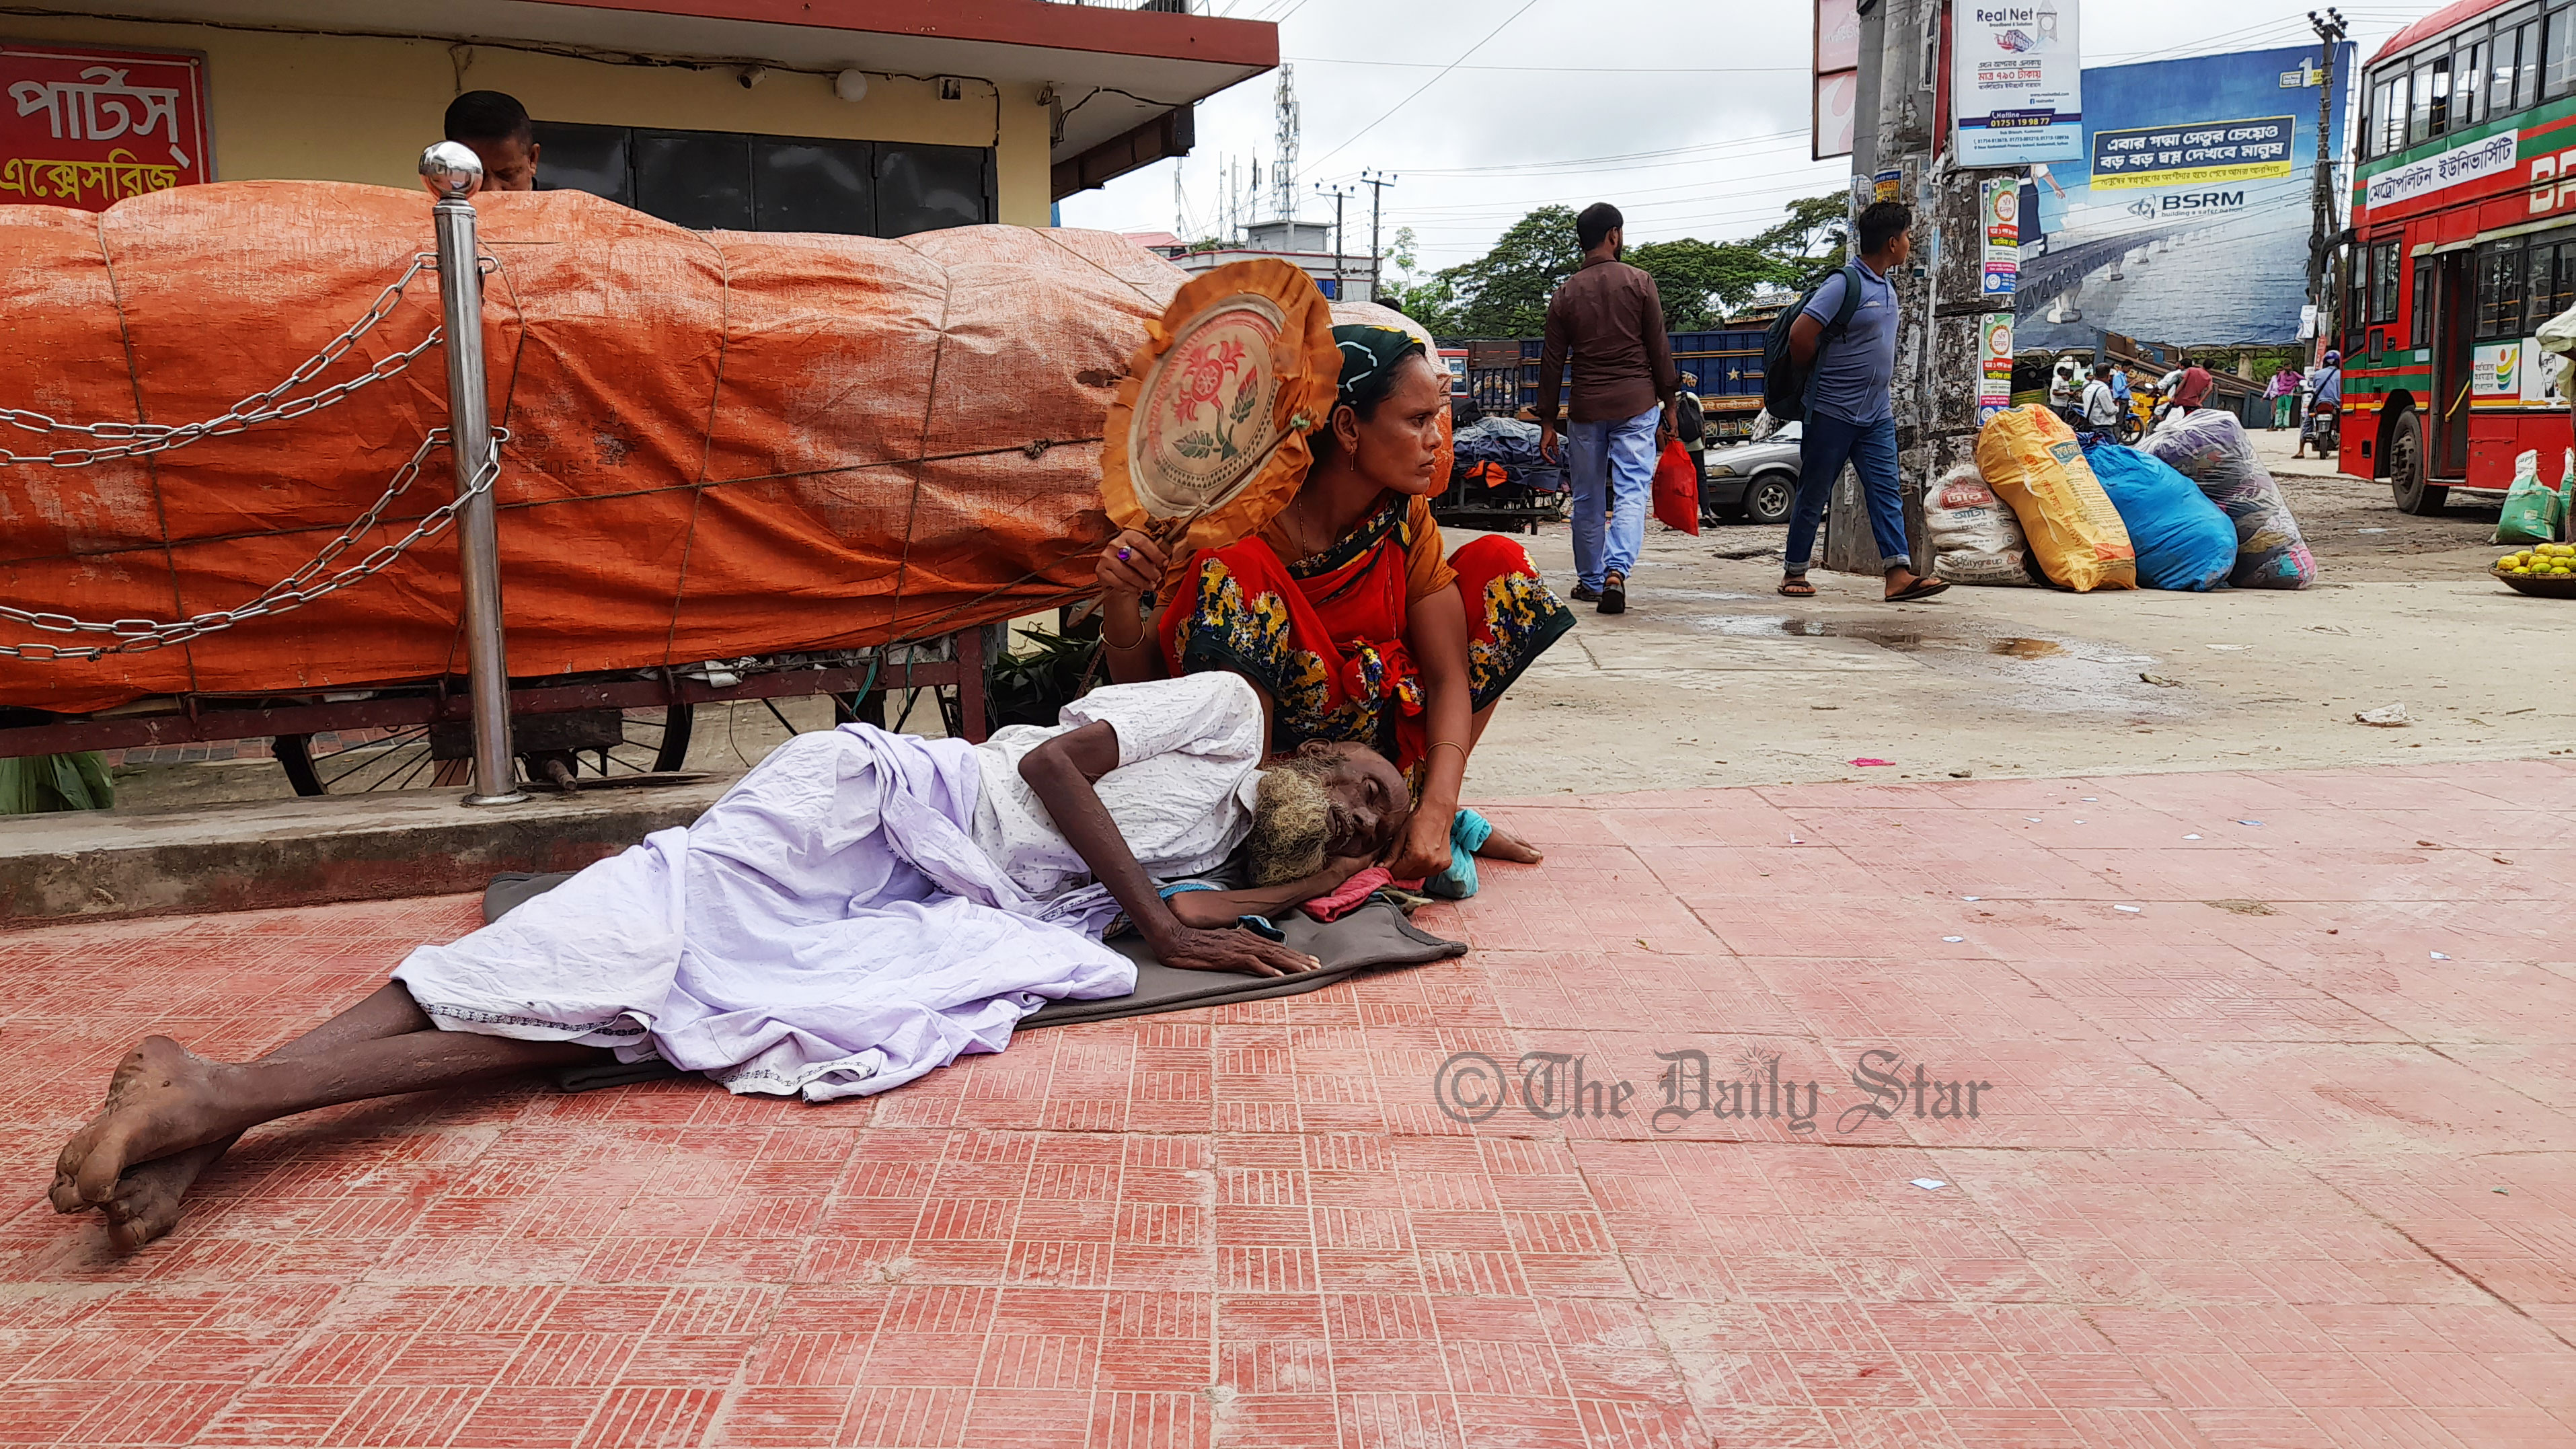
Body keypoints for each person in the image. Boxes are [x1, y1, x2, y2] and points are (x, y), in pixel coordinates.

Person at [49, 673, 1412, 1251]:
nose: (1360, 807)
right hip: (892, 805)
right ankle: (217, 1099)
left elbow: (1175, 905)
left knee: (656, 1007)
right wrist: (1167, 926)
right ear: (1316, 741)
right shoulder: (1228, 718)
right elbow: (1054, 765)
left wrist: (1298, 882)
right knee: (637, 919)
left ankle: (220, 1099)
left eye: (1375, 824)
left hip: (934, 897)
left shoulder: (1236, 852)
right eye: (1362, 779)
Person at [1093, 326, 1568, 884]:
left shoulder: (1405, 519)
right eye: (1417, 421)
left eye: (1435, 418)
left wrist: (1438, 810)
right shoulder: (1235, 522)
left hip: (1373, 777)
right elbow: (1151, 691)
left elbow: (1448, 676)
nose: (1437, 439)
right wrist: (1119, 602)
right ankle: (1252, 831)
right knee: (1239, 567)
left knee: (1501, 565)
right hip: (1282, 775)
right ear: (1348, 426)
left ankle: (1407, 815)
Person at [1778, 200, 1948, 603]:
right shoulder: (1844, 283)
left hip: (1876, 416)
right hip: (1832, 412)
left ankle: (1898, 574)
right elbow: (1801, 336)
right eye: (1907, 237)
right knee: (1814, 492)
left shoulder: (1885, 284)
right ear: (1892, 242)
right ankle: (1794, 572)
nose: (1910, 243)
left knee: (1886, 490)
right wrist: (1816, 374)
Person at [1533, 202, 1680, 615]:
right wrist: (1670, 403)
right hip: (1636, 404)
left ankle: (1592, 581)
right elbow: (1659, 348)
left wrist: (1547, 421)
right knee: (1632, 490)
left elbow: (1552, 362)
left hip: (1585, 409)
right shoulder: (1640, 282)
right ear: (1614, 235)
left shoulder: (1564, 294)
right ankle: (1617, 571)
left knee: (1587, 496)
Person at [443, 89, 539, 192]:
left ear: (532, 159)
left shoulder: (558, 206)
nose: (492, 190)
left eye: (507, 175)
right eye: (474, 178)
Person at [1677, 371, 1714, 525]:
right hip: (1696, 444)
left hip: (1678, 448)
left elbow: (1661, 431)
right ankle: (1706, 512)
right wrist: (1702, 443)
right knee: (1701, 478)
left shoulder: (1664, 404)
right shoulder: (1692, 397)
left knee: (1680, 482)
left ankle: (1686, 516)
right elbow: (1702, 423)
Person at [2297, 350, 2342, 457]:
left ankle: (2301, 451)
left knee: (2307, 422)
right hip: (2335, 403)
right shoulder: (2341, 374)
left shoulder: (2317, 374)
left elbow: (2313, 388)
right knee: (2344, 422)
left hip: (2319, 403)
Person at [2080, 361, 2121, 439]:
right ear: (2107, 376)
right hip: (2103, 429)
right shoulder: (2103, 390)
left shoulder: (2088, 388)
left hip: (2091, 426)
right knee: (2111, 450)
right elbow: (2110, 411)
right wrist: (2117, 407)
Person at [2267, 364, 2302, 429]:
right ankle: (2277, 424)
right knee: (2279, 409)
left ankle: (2285, 425)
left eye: (2289, 366)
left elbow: (2300, 381)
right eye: (2286, 366)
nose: (2288, 368)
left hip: (2289, 395)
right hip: (2281, 394)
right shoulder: (2281, 375)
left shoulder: (2294, 375)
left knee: (2287, 410)